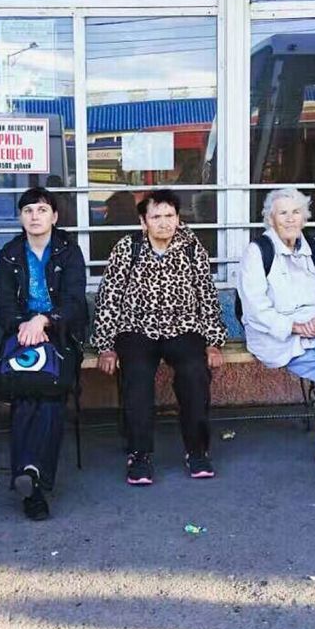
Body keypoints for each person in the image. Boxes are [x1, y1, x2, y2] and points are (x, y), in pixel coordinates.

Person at [90, 189, 227, 484]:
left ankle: (197, 450)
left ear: (178, 218)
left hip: (183, 328)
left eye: (169, 216)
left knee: (193, 372)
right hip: (137, 329)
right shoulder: (128, 248)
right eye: (156, 217)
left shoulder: (191, 247)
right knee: (137, 375)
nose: (164, 223)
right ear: (144, 221)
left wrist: (214, 342)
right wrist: (106, 346)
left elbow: (207, 295)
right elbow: (109, 298)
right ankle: (140, 454)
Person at [237, 188, 315, 477]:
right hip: (276, 335)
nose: (290, 218)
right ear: (270, 219)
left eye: (296, 212)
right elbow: (255, 309)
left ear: (304, 218)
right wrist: (297, 327)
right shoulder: (258, 252)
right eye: (282, 213)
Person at [0, 187, 89, 520]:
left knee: (50, 392)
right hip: (21, 336)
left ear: (55, 217)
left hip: (60, 335)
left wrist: (44, 321)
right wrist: (23, 326)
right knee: (24, 392)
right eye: (28, 210)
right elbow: (2, 306)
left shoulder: (69, 252)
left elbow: (76, 303)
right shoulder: (9, 254)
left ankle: (32, 476)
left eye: (42, 210)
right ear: (21, 217)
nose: (35, 216)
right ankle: (32, 479)